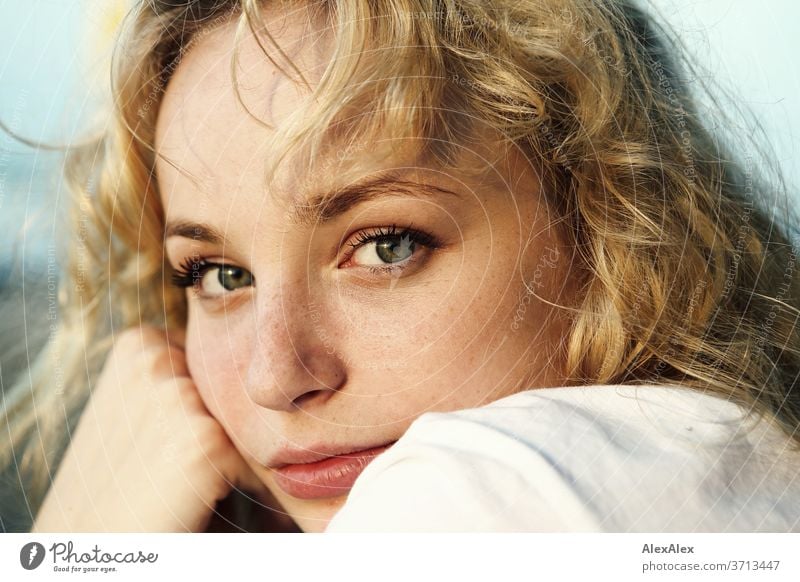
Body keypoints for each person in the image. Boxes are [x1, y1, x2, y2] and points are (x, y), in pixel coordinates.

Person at [2, 0, 799, 533]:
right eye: (218, 274)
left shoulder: (475, 490)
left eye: (386, 245)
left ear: (609, 224)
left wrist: (82, 546)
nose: (275, 378)